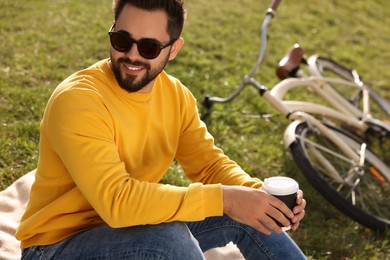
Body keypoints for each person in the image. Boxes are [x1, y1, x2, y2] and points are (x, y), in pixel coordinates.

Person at [16, 0, 307, 259]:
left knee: (250, 215)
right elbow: (118, 202)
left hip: (130, 227)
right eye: (121, 39)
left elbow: (208, 165)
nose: (131, 55)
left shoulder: (176, 96)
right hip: (55, 248)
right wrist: (228, 198)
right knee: (168, 240)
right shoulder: (79, 100)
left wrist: (258, 197)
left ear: (174, 49)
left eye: (149, 47)